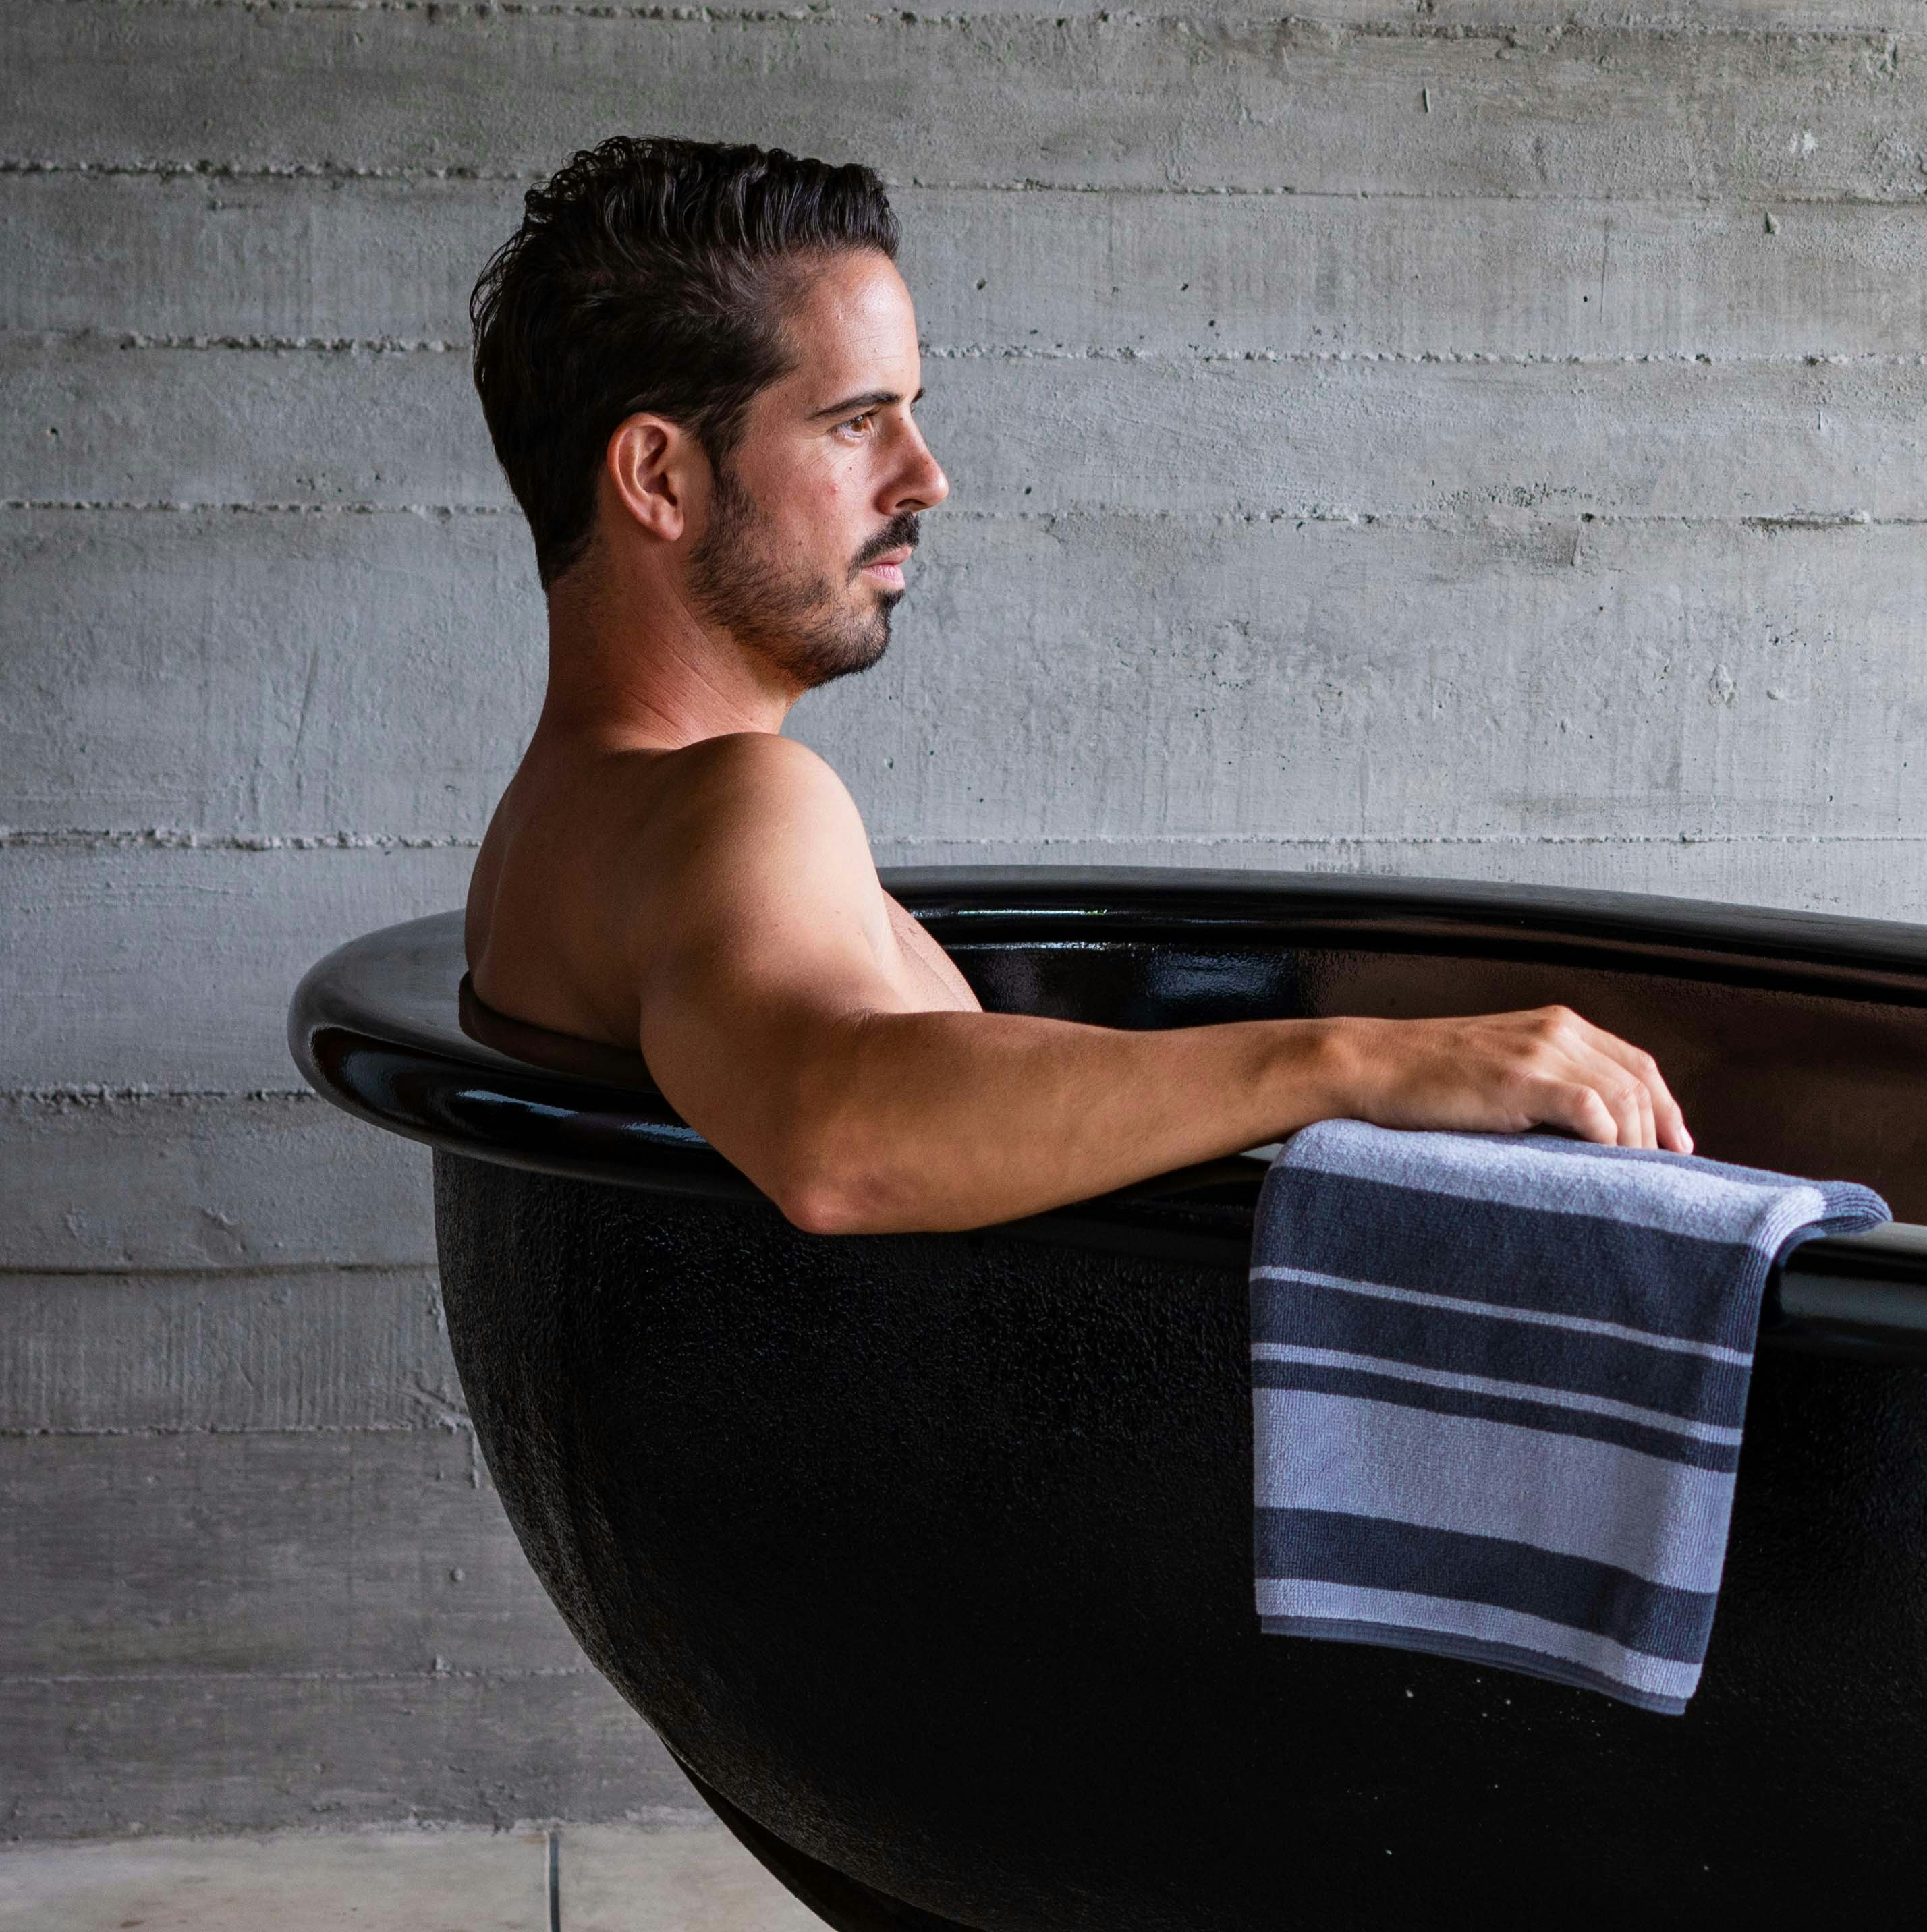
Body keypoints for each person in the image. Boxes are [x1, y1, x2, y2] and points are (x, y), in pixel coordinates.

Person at [458, 138, 1689, 1232]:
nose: (925, 478)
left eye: (913, 414)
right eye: (854, 424)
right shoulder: (735, 804)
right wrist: (1355, 1059)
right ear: (658, 479)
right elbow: (842, 1142)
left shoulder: (554, 827)